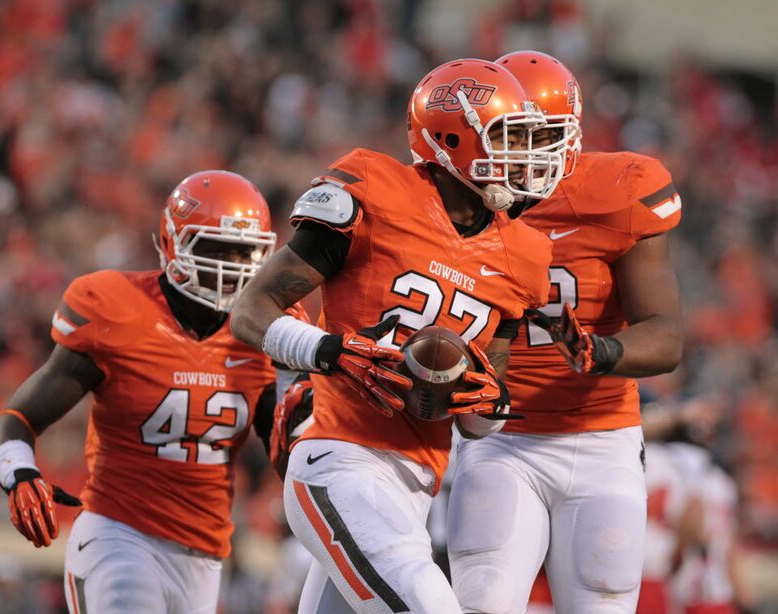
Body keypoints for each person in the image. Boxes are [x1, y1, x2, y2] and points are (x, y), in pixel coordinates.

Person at [230, 58, 553, 613]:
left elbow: (482, 412)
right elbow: (251, 308)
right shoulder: (376, 190)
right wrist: (328, 352)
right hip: (338, 459)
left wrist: (488, 402)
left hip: (415, 489)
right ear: (453, 137)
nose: (523, 156)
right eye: (508, 138)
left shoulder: (524, 255)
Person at [0, 170, 297, 614]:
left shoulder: (267, 328)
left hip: (206, 555)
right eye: (214, 248)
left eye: (244, 252)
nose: (231, 266)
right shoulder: (114, 307)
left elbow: (285, 450)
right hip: (120, 534)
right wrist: (18, 472)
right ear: (173, 242)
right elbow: (18, 418)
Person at [446, 50, 685, 614]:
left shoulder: (620, 191)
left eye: (538, 135)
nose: (522, 154)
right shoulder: (454, 195)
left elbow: (667, 335)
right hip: (499, 437)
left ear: (570, 134)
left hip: (602, 438)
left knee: (600, 604)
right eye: (509, 135)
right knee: (482, 600)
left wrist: (599, 351)